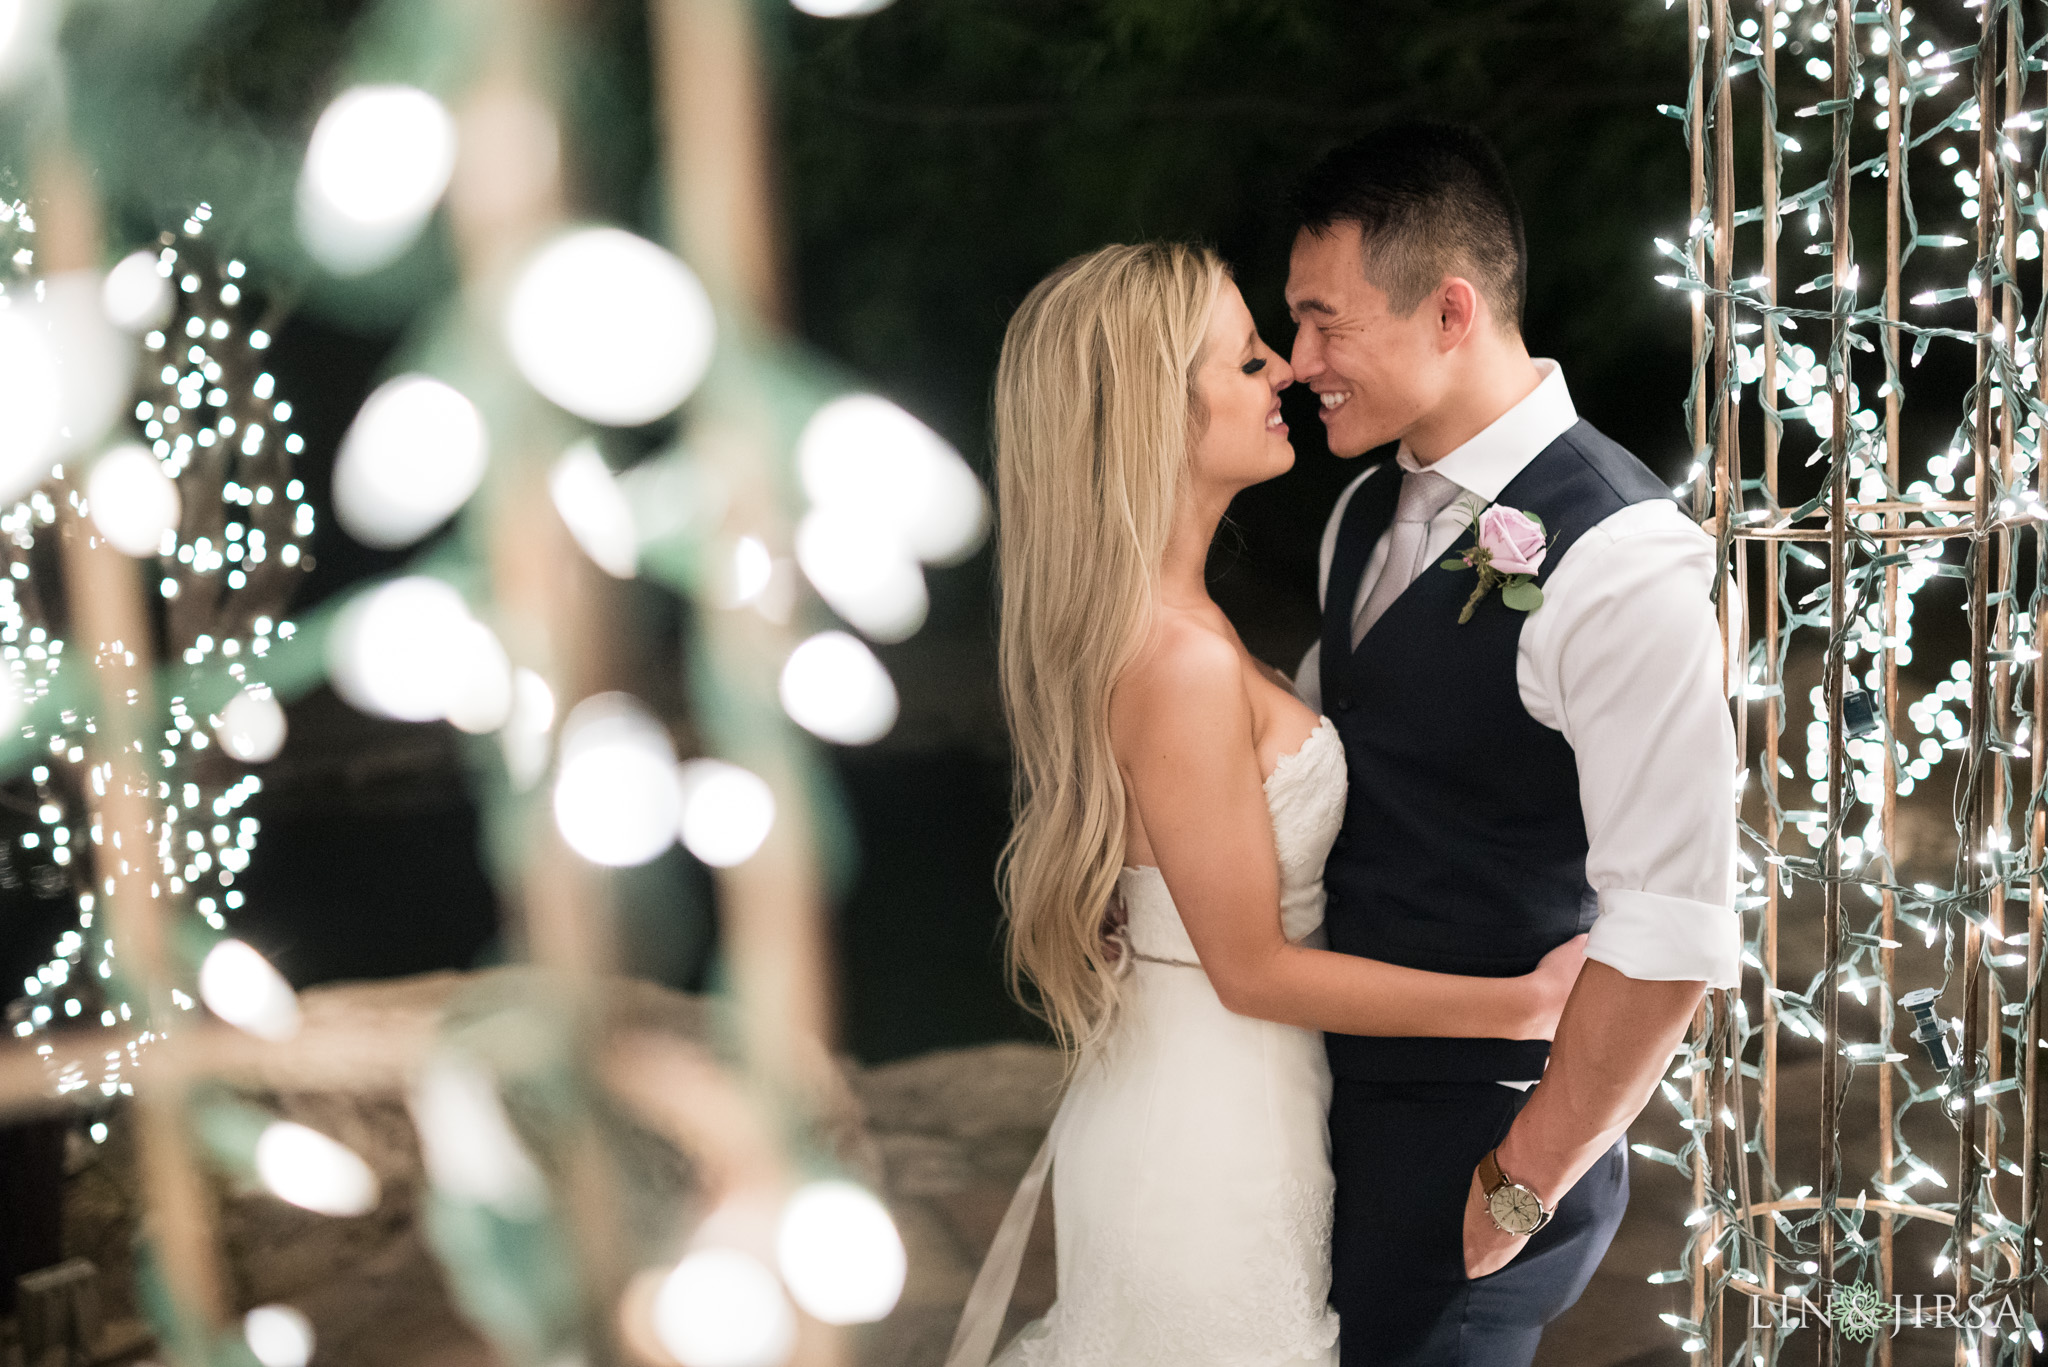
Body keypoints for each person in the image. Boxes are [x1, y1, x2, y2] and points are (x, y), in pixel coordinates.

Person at [948, 241, 1589, 1367]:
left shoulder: (1165, 627)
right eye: (1245, 360)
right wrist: (1524, 1004)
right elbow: (1250, 967)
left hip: (1203, 1093)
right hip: (1208, 1137)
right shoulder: (1179, 660)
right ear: (1154, 408)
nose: (1284, 372)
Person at [1285, 122, 1741, 1366]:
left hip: (1472, 1161)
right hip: (1312, 1123)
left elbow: (1673, 922)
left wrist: (1522, 1181)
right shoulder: (1357, 510)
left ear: (1447, 312)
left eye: (1327, 324)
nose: (1295, 360)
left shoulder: (1622, 555)